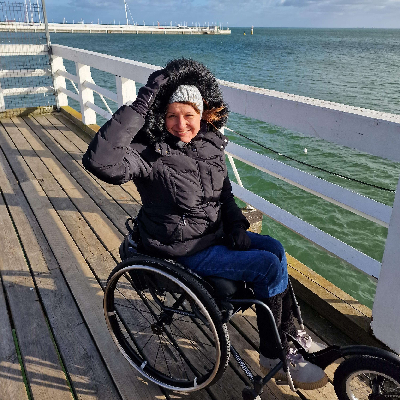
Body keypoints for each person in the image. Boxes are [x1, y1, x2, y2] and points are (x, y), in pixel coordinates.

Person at [82, 58, 328, 390]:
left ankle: (290, 332)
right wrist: (143, 101)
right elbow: (100, 161)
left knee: (275, 248)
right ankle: (274, 355)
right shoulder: (149, 152)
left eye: (189, 115)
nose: (181, 124)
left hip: (213, 234)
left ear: (203, 114)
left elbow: (224, 193)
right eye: (171, 115)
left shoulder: (209, 143)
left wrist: (236, 225)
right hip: (181, 247)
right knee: (267, 267)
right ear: (159, 115)